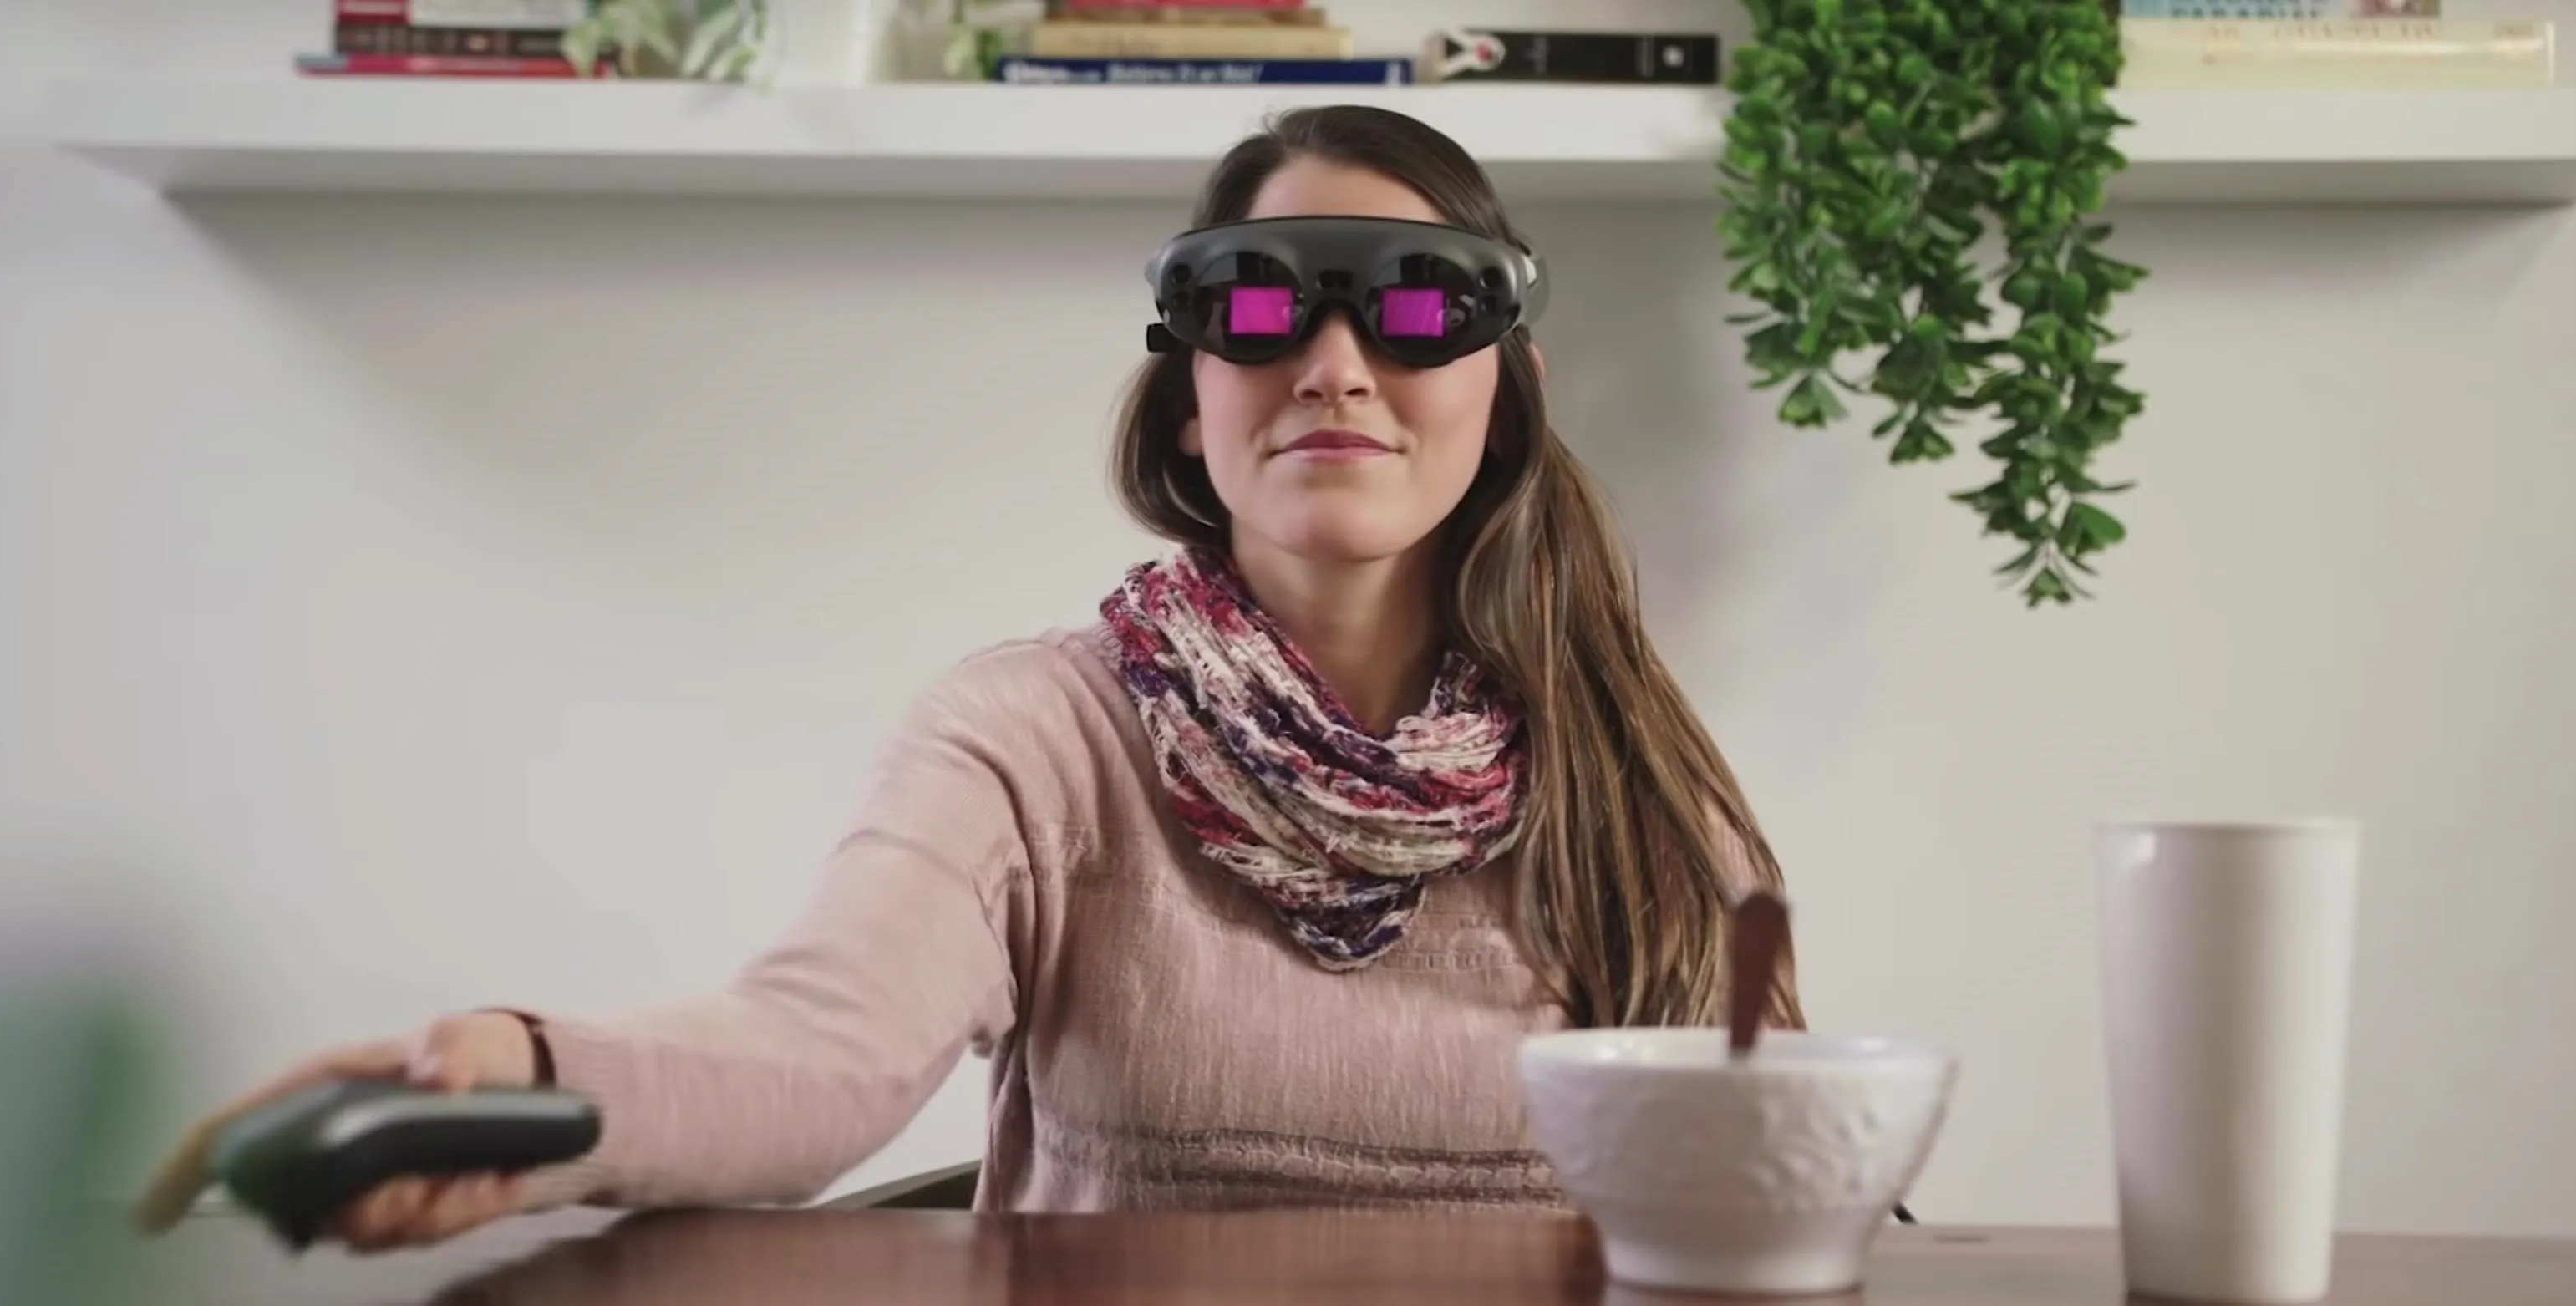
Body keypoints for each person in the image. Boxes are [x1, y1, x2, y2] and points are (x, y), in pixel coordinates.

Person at [132, 103, 1803, 1253]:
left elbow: (1783, 1176)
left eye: (1422, 305)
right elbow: (813, 1061)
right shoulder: (1033, 735)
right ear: (1187, 395)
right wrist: (515, 1069)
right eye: (1258, 305)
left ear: (1504, 389)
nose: (1337, 364)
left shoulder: (1632, 771)